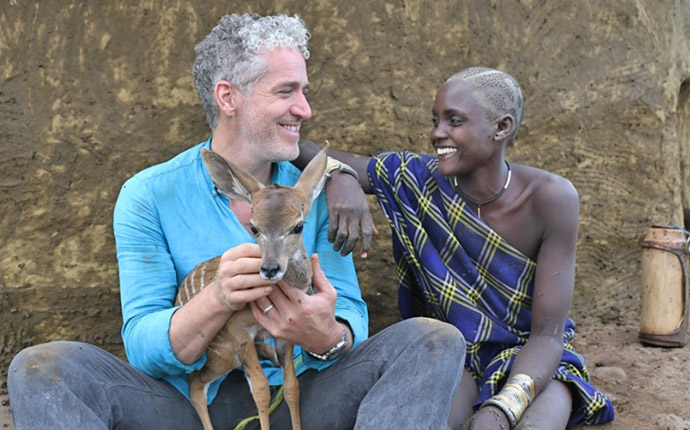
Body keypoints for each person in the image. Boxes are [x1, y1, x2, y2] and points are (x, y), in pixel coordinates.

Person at [6, 13, 467, 430]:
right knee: (42, 367)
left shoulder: (311, 193)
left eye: (304, 92)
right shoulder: (149, 194)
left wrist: (325, 334)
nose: (304, 109)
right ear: (228, 97)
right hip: (185, 409)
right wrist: (216, 299)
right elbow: (144, 348)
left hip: (301, 403)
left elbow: (349, 318)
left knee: (433, 340)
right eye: (286, 91)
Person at [296, 67, 615, 429]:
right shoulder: (417, 179)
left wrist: (500, 411)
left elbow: (547, 335)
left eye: (454, 121)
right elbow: (306, 151)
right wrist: (340, 176)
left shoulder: (551, 199)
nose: (436, 133)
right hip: (452, 354)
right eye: (435, 120)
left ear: (501, 127)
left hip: (534, 361)